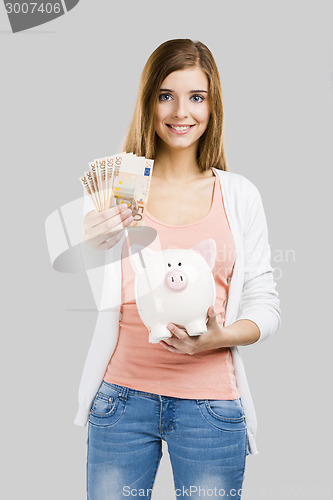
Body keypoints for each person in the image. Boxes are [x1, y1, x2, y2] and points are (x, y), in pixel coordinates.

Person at [76, 39, 281, 500]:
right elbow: (96, 286)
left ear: (213, 107)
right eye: (166, 95)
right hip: (121, 402)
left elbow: (266, 305)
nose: (180, 112)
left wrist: (218, 338)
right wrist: (89, 240)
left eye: (196, 97)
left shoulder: (238, 194)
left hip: (210, 406)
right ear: (149, 102)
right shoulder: (121, 185)